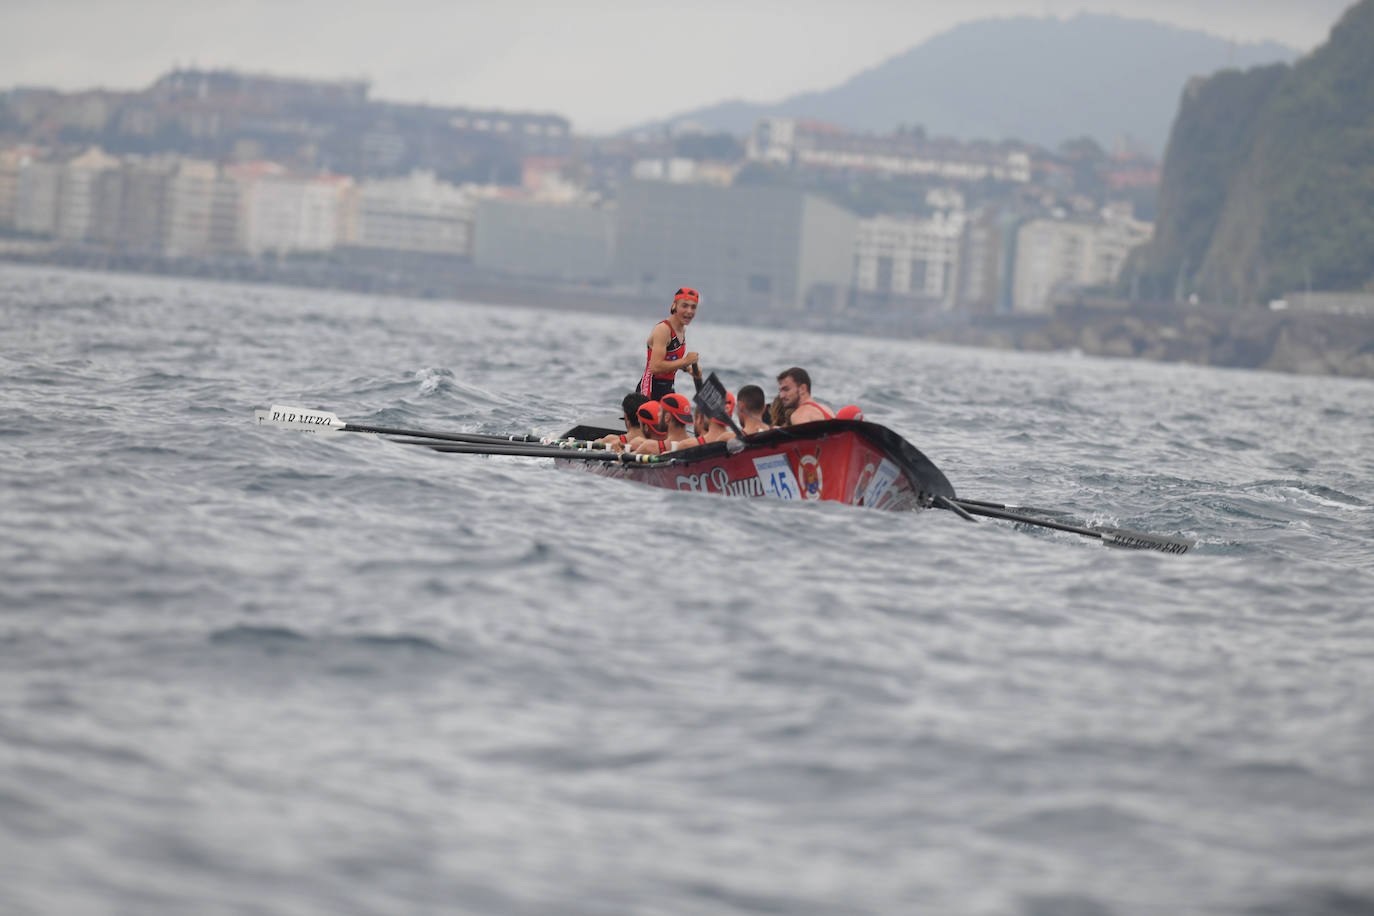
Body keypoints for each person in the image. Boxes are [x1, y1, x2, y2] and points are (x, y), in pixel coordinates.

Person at [639, 287, 700, 400]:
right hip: (649, 390)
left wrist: (687, 369)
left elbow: (671, 359)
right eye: (685, 306)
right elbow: (655, 366)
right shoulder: (663, 330)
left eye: (693, 307)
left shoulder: (682, 330)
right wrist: (685, 361)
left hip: (668, 387)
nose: (689, 311)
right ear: (674, 306)